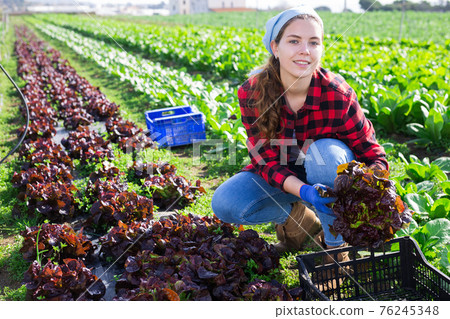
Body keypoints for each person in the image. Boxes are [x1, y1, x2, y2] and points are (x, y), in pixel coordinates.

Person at [211, 5, 388, 261]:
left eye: (314, 42)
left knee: (324, 153)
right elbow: (265, 160)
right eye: (294, 41)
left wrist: (366, 192)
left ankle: (335, 247)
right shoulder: (253, 92)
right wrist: (305, 192)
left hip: (329, 173)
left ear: (322, 48)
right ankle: (299, 221)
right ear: (275, 47)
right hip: (285, 176)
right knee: (226, 202)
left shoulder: (338, 95)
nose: (305, 50)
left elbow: (374, 155)